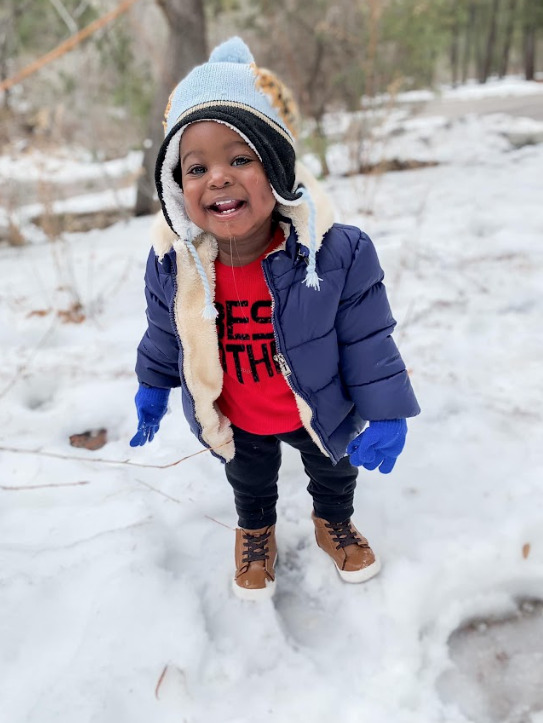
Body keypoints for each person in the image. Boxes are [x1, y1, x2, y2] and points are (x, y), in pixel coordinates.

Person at [130, 37, 420, 601]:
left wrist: (386, 412)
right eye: (197, 167)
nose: (219, 178)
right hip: (238, 412)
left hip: (319, 405)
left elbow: (368, 338)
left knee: (335, 470)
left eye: (241, 159)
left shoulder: (336, 253)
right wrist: (152, 382)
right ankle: (256, 531)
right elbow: (165, 330)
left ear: (279, 168)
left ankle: (331, 521)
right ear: (175, 186)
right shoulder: (174, 264)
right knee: (249, 479)